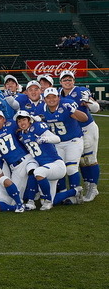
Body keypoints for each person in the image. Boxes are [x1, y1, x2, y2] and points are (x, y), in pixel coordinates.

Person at [57, 70, 101, 202]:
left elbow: (96, 108)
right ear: (60, 82)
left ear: (74, 81)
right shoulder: (59, 93)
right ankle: (87, 184)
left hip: (87, 128)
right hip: (74, 131)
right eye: (65, 80)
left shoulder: (81, 91)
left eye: (70, 79)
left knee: (89, 158)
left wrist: (90, 103)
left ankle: (93, 187)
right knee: (80, 159)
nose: (67, 82)